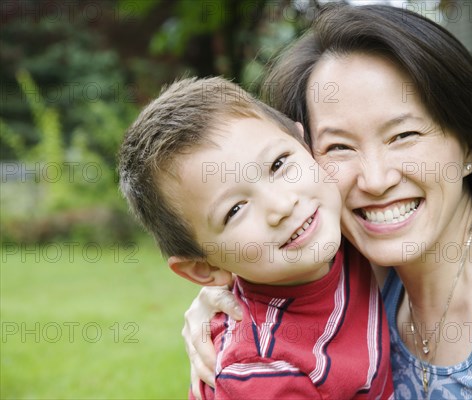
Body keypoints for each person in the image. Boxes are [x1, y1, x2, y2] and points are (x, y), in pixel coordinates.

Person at [182, 4, 472, 400]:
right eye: (340, 147)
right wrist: (216, 307)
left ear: (470, 145)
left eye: (404, 136)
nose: (377, 180)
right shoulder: (364, 281)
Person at [118, 76, 394, 399]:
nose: (282, 205)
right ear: (203, 269)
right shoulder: (263, 372)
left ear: (304, 145)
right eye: (235, 210)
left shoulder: (338, 227)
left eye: (278, 164)